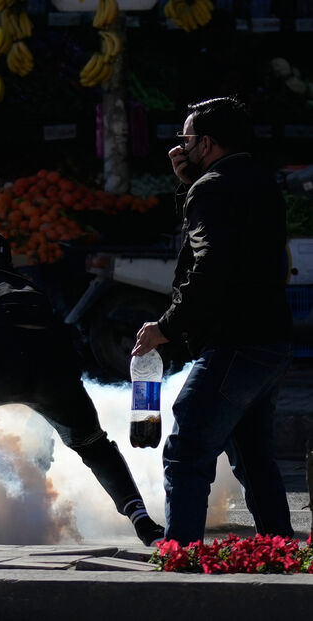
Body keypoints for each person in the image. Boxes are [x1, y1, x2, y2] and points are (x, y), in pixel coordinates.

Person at [0, 230, 165, 546]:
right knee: (93, 445)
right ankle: (142, 520)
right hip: (58, 377)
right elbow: (57, 345)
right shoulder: (27, 285)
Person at [131, 96, 294, 545]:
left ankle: (180, 555)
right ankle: (279, 549)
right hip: (271, 338)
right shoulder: (258, 179)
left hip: (235, 340)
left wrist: (166, 327)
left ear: (205, 143)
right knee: (253, 455)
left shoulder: (212, 189)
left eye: (186, 139)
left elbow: (210, 267)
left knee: (186, 450)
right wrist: (192, 184)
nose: (180, 147)